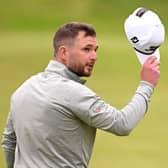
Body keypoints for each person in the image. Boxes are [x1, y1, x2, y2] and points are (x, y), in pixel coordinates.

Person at [2, 22, 160, 168]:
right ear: (64, 52)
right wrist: (147, 85)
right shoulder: (73, 93)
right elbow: (122, 124)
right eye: (87, 49)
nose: (94, 56)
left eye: (95, 50)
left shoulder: (24, 88)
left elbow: (9, 142)